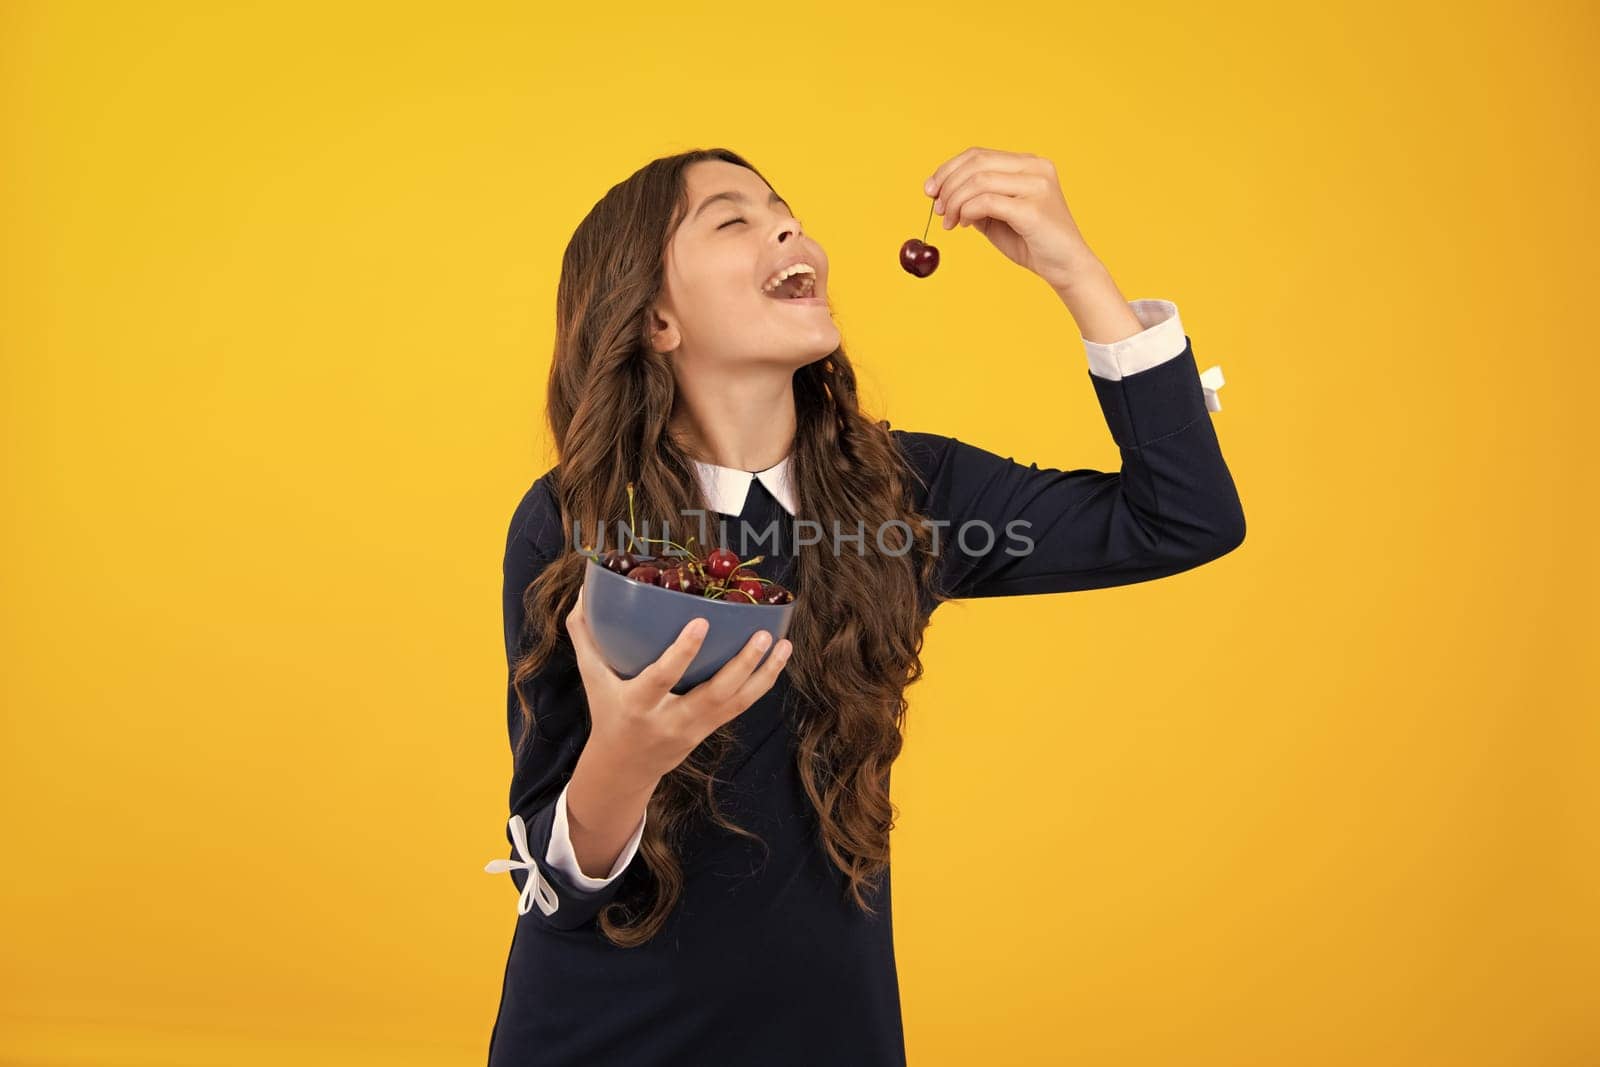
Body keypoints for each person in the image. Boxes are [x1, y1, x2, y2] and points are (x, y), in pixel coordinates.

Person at [482, 146, 1245, 1065]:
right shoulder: (575, 519)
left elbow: (1183, 516)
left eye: (785, 210)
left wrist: (1075, 270)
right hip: (601, 1035)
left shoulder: (906, 497)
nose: (787, 225)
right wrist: (625, 757)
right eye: (733, 218)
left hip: (832, 1033)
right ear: (655, 318)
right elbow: (559, 885)